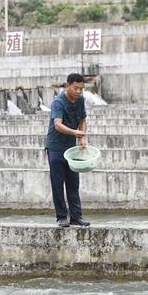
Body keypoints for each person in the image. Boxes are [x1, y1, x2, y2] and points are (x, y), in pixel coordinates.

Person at [45, 73, 91, 228]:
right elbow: (57, 124)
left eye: (81, 89)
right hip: (56, 147)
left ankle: (76, 217)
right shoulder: (58, 103)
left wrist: (82, 136)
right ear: (68, 85)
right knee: (57, 183)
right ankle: (61, 217)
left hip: (71, 147)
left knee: (73, 182)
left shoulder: (81, 101)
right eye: (75, 88)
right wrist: (75, 133)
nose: (78, 92)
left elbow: (82, 120)